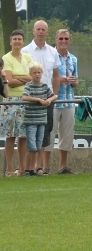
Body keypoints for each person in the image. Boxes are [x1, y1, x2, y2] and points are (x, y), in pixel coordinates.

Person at [22, 20, 60, 174]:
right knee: (28, 135)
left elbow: (56, 76)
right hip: (31, 99)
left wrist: (54, 94)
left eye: (43, 29)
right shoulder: (25, 51)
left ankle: (38, 166)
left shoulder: (53, 51)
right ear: (33, 31)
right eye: (38, 29)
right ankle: (26, 167)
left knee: (44, 133)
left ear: (47, 32)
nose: (40, 32)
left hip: (47, 99)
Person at [2, 29, 32, 176]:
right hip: (11, 100)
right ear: (10, 42)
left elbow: (33, 77)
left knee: (23, 135)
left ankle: (21, 168)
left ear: (23, 41)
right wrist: (24, 78)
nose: (17, 42)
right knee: (10, 134)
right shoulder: (6, 58)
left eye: (19, 39)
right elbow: (10, 82)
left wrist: (17, 77)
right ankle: (9, 168)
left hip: (26, 99)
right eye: (15, 39)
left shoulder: (27, 58)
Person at [21, 62, 57, 176]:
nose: (37, 75)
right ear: (30, 74)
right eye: (34, 73)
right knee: (31, 145)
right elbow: (24, 97)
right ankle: (27, 169)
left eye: (39, 72)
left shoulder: (44, 86)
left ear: (42, 74)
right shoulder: (28, 86)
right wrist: (38, 100)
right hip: (31, 121)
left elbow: (54, 95)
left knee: (38, 145)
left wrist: (49, 100)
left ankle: (33, 168)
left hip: (42, 120)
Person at [52, 29, 79, 174]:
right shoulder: (51, 56)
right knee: (50, 133)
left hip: (69, 101)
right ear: (56, 40)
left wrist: (74, 82)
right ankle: (44, 166)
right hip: (54, 100)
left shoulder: (73, 59)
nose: (63, 41)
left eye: (66, 39)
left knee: (67, 135)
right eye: (61, 38)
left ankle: (62, 166)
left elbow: (77, 81)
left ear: (70, 40)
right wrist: (57, 80)